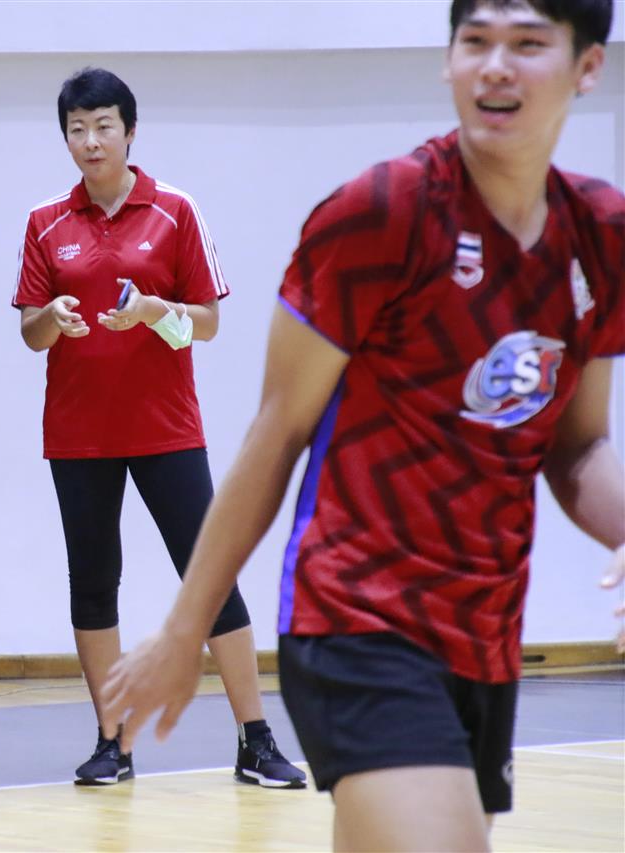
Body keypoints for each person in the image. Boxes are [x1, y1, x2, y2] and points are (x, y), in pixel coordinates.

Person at [102, 1, 623, 848]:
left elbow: (580, 445)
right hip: (357, 617)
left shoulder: (599, 234)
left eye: (528, 44)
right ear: (449, 59)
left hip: (486, 634)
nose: (496, 65)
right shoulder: (384, 211)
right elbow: (275, 434)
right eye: (476, 41)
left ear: (588, 66)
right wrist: (183, 628)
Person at [12, 67, 306, 789]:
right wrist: (53, 317)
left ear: (130, 131)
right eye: (77, 129)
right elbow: (29, 332)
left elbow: (206, 323)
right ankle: (112, 742)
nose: (90, 141)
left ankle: (256, 738)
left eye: (103, 126)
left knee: (209, 574)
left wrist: (151, 311)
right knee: (93, 583)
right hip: (77, 434)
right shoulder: (45, 221)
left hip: (167, 430)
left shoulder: (175, 210)